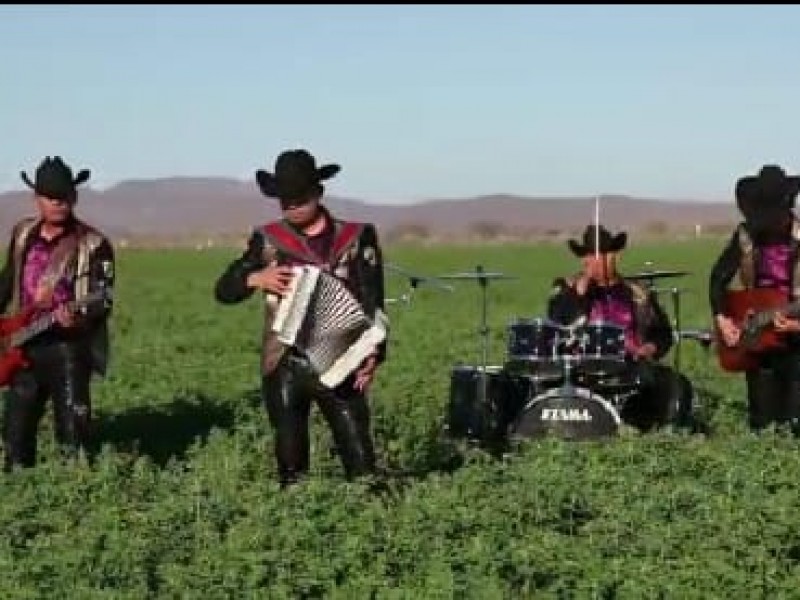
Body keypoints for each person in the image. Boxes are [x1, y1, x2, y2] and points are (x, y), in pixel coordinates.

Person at [214, 149, 388, 487]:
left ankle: (377, 525)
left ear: (318, 193)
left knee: (362, 464)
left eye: (299, 199)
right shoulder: (267, 241)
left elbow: (373, 301)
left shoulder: (356, 237)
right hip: (284, 362)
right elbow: (224, 289)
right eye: (284, 201)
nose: (291, 206)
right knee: (291, 469)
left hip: (343, 360)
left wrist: (374, 353)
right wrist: (254, 279)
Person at [0, 156, 115, 471]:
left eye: (65, 196)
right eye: (52, 197)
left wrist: (78, 318)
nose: (59, 203)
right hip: (23, 345)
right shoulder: (22, 234)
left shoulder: (94, 244)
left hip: (68, 348)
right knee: (15, 435)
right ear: (37, 199)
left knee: (73, 434)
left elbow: (103, 299)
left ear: (74, 197)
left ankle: (77, 494)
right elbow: (9, 278)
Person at [547, 224, 694, 431]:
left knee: (676, 385)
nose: (591, 261)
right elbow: (556, 322)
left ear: (614, 257)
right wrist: (577, 296)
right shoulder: (568, 288)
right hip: (582, 370)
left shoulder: (637, 293)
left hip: (630, 365)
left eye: (599, 255)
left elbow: (663, 333)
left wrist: (651, 347)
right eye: (588, 256)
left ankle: (664, 430)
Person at [709, 164, 800, 432]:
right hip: (757, 334)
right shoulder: (746, 235)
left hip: (796, 339)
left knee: (795, 424)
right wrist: (723, 318)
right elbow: (718, 278)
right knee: (762, 423)